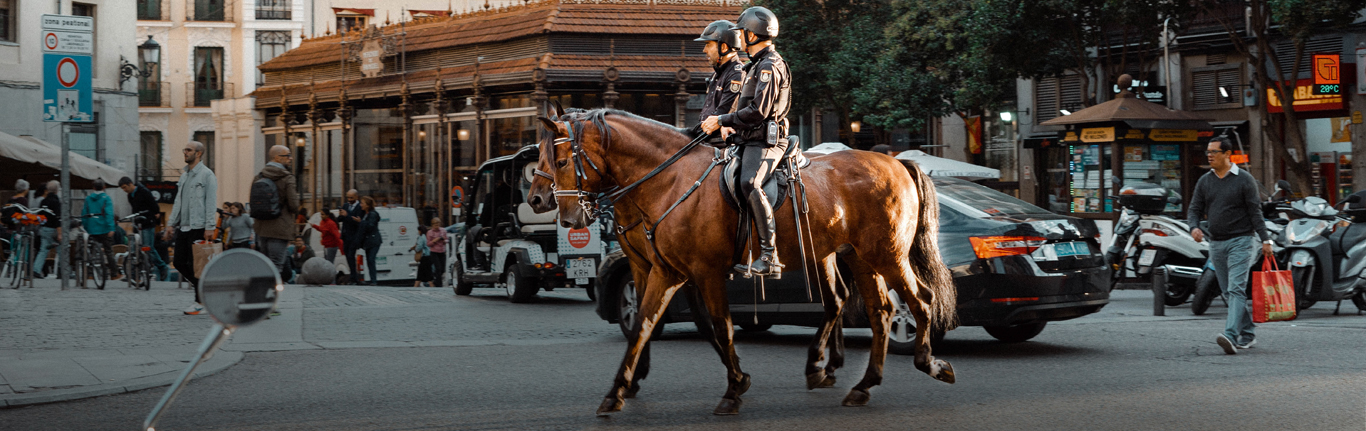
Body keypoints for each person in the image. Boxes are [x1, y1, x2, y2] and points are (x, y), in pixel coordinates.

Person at [700, 6, 790, 277]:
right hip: (749, 139)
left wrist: (723, 121)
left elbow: (759, 112)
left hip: (767, 143)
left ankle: (769, 255)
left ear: (752, 34)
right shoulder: (755, 66)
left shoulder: (769, 66)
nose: (741, 37)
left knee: (749, 182)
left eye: (743, 32)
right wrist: (731, 127)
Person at [1187, 136, 1273, 354]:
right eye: (1208, 151)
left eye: (1214, 152)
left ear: (1227, 154)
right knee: (1227, 290)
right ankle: (1249, 333)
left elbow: (1255, 212)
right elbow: (1194, 208)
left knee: (1236, 288)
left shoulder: (1244, 180)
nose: (1209, 155)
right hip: (1216, 243)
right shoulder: (1205, 181)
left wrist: (1265, 239)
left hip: (1242, 241)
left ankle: (1231, 335)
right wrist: (1193, 227)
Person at [167, 141, 219, 315]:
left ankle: (200, 301)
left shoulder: (207, 175)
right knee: (179, 262)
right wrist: (170, 224)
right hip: (183, 226)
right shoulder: (184, 176)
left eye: (188, 150)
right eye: (184, 149)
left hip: (199, 227)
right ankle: (205, 289)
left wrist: (210, 226)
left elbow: (211, 202)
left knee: (197, 266)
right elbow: (178, 203)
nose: (185, 152)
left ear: (198, 153)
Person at [253, 145, 301, 283]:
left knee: (265, 262)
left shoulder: (259, 176)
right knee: (276, 264)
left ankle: (263, 292)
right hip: (280, 227)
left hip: (261, 227)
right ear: (277, 158)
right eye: (287, 155)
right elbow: (294, 205)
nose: (290, 158)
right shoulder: (287, 177)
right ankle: (270, 295)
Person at [691, 19, 745, 140]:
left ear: (724, 47)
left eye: (708, 44)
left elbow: (722, 114)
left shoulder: (737, 74)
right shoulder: (717, 74)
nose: (704, 50)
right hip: (707, 138)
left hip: (720, 141)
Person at [119, 177, 169, 281]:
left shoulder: (144, 191)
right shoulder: (130, 196)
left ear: (130, 184)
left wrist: (155, 216)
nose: (124, 190)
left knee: (148, 248)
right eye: (122, 189)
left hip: (147, 222)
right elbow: (134, 209)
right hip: (138, 224)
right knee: (133, 248)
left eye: (124, 187)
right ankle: (132, 274)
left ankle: (162, 267)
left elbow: (155, 207)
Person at [82, 179, 123, 281]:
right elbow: (109, 214)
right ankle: (114, 274)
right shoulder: (106, 198)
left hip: (91, 228)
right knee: (109, 251)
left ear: (93, 187)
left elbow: (84, 214)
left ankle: (90, 274)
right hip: (104, 228)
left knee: (91, 252)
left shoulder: (88, 199)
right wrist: (111, 227)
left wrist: (86, 227)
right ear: (104, 187)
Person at [31, 181, 61, 279]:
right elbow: (58, 219)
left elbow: (40, 216)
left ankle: (36, 270)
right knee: (61, 251)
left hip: (44, 228)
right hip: (54, 229)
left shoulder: (43, 201)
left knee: (43, 250)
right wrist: (60, 233)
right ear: (57, 190)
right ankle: (64, 271)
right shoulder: (56, 202)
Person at [339, 189, 364, 284]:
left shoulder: (360, 207)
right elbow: (341, 219)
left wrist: (347, 215)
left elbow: (357, 222)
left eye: (351, 197)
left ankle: (354, 277)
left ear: (356, 197)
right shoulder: (345, 205)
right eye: (348, 197)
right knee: (348, 257)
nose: (349, 199)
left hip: (354, 236)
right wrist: (341, 215)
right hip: (345, 236)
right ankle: (353, 276)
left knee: (351, 255)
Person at [358, 196, 382, 285]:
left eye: (362, 203)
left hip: (373, 240)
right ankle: (372, 279)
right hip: (369, 241)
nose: (361, 205)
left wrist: (361, 222)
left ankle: (374, 280)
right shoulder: (366, 214)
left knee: (371, 259)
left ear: (367, 205)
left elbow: (370, 226)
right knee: (369, 260)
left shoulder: (372, 214)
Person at [426, 217, 448, 287]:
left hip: (442, 251)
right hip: (434, 252)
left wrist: (445, 241)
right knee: (438, 268)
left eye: (438, 225)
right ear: (432, 225)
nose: (437, 227)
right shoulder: (429, 232)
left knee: (442, 269)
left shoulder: (443, 230)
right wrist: (435, 240)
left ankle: (435, 280)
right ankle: (439, 284)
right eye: (435, 225)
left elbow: (447, 239)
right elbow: (428, 244)